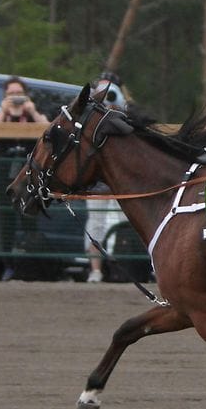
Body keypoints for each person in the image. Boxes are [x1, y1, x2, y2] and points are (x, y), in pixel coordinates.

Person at [0, 76, 49, 280]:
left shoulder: (32, 114)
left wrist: (32, 111)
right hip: (3, 177)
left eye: (19, 93)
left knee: (29, 219)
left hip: (28, 177)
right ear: (4, 96)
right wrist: (4, 111)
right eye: (11, 94)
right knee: (4, 221)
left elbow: (48, 128)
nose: (15, 97)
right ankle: (6, 266)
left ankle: (31, 267)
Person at [85, 71, 131, 283]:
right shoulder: (90, 111)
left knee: (128, 223)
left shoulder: (125, 111)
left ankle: (130, 266)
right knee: (96, 225)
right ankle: (95, 270)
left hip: (121, 182)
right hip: (98, 183)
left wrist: (120, 107)